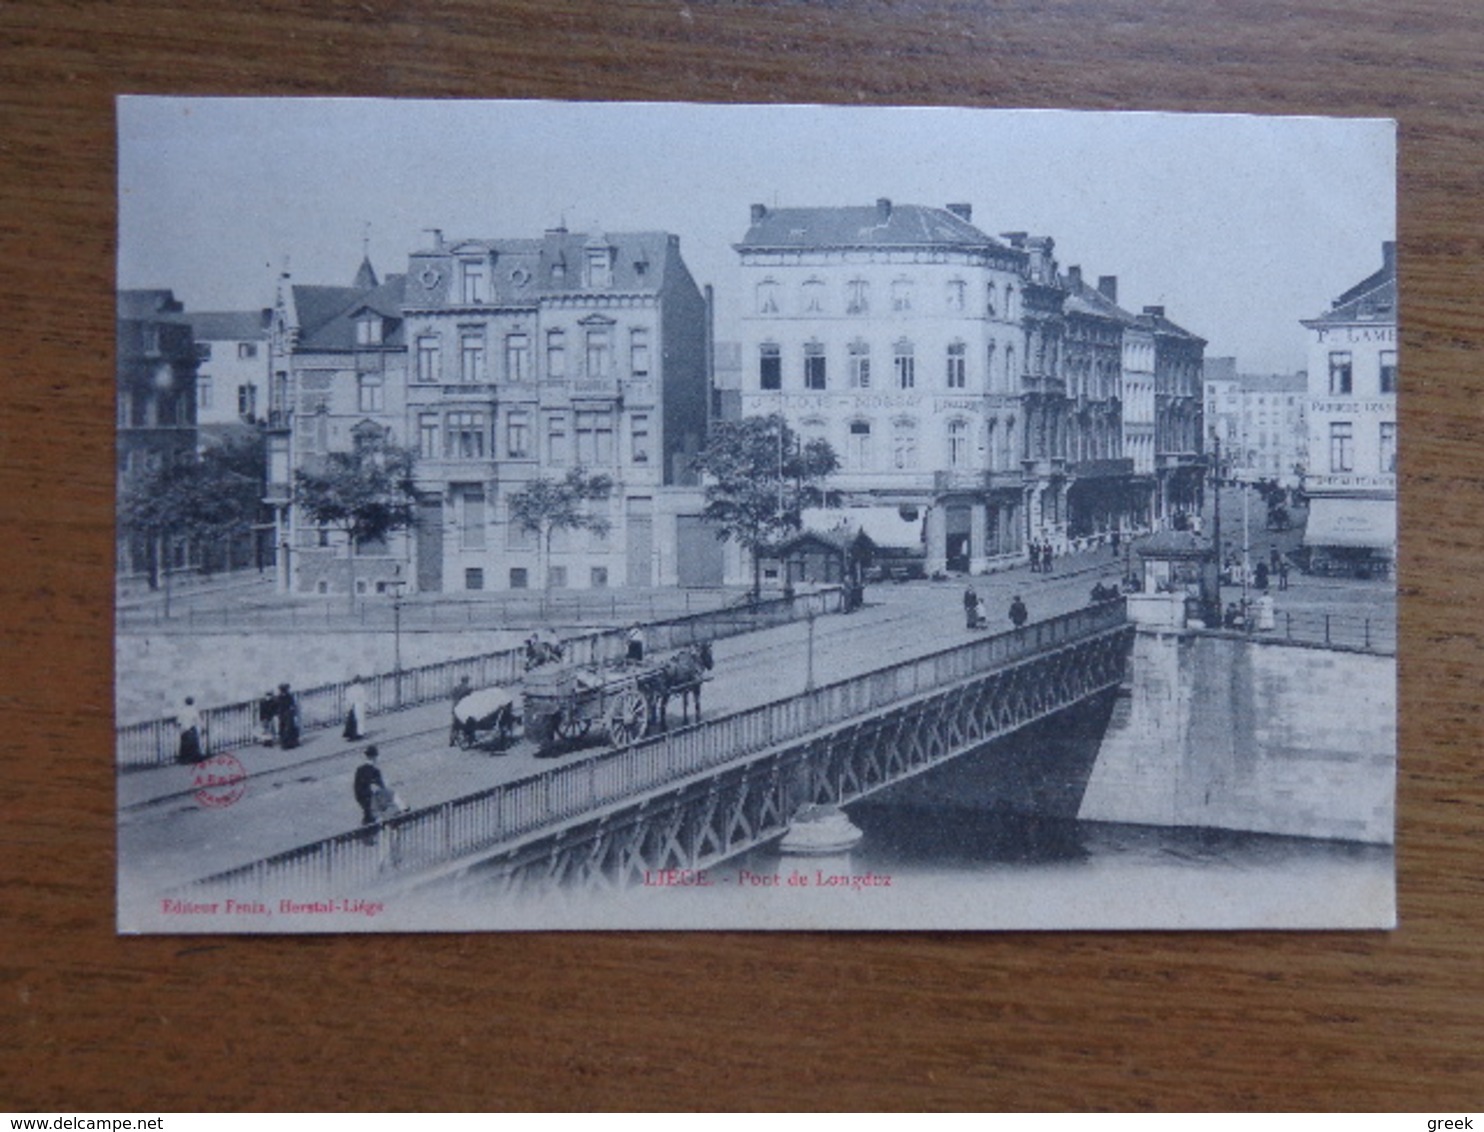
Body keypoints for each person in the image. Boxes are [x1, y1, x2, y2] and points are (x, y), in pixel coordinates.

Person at [353, 744, 387, 827]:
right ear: (375, 757)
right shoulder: (375, 770)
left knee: (368, 813)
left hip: (360, 796)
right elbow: (382, 786)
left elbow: (357, 786)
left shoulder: (360, 769)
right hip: (369, 797)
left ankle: (366, 825)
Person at [176, 696, 203, 764]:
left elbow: (178, 722)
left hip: (184, 730)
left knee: (184, 746)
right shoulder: (194, 710)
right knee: (194, 745)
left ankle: (184, 760)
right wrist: (203, 728)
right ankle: (194, 759)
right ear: (192, 702)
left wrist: (181, 729)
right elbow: (198, 721)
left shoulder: (182, 711)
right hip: (191, 729)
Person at [449, 675, 473, 747]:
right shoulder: (468, 689)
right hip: (463, 708)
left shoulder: (456, 688)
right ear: (467, 681)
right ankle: (466, 739)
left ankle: (452, 740)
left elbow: (451, 695)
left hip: (455, 708)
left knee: (454, 725)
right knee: (464, 724)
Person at [276, 683, 300, 750]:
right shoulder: (287, 697)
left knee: (286, 729)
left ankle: (288, 743)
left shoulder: (281, 697)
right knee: (287, 729)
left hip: (285, 715)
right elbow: (291, 705)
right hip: (286, 715)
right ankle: (287, 743)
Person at [343, 675, 367, 741]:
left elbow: (348, 699)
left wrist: (348, 707)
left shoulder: (350, 689)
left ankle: (352, 734)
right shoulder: (361, 688)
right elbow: (364, 698)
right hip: (360, 705)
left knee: (353, 720)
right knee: (360, 720)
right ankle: (360, 733)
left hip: (353, 705)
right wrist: (366, 705)